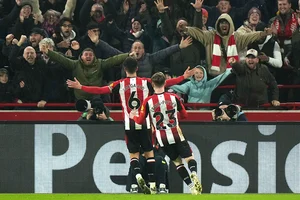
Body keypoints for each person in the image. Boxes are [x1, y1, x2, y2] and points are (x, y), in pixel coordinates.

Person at [66, 57, 196, 194]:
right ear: (137, 68)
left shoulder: (120, 84)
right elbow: (165, 83)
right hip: (145, 124)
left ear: (124, 69)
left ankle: (138, 175)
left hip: (129, 125)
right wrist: (183, 77)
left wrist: (81, 87)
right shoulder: (146, 82)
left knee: (134, 155)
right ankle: (152, 185)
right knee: (149, 154)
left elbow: (100, 90)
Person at [129, 72, 202, 195]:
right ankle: (194, 174)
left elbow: (141, 121)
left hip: (162, 138)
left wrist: (133, 117)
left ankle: (191, 187)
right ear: (165, 83)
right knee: (189, 158)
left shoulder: (148, 101)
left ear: (152, 84)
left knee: (178, 163)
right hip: (176, 134)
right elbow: (185, 115)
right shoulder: (174, 98)